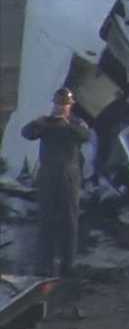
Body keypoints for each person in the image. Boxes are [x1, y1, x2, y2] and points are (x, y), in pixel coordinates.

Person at [21, 87, 90, 277]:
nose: (61, 108)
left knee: (69, 220)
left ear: (71, 105)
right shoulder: (46, 123)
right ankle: (45, 265)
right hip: (48, 175)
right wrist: (40, 122)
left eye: (64, 105)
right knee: (46, 220)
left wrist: (66, 124)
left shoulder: (76, 123)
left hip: (69, 175)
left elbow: (86, 136)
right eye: (58, 104)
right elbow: (26, 133)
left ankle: (68, 265)